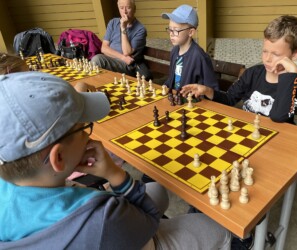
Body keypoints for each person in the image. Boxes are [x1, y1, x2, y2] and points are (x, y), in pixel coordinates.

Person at [0, 72, 232, 249]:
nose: (88, 134)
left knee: (158, 192)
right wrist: (114, 174)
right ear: (58, 157)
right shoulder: (102, 218)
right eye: (84, 129)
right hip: (135, 237)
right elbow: (150, 221)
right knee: (218, 228)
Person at [181, 15, 297, 124]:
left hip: (278, 140)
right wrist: (207, 90)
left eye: (276, 54)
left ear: (295, 54)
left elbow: (278, 116)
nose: (267, 59)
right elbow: (229, 99)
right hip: (249, 132)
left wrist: (292, 75)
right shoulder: (252, 73)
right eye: (265, 51)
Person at [161, 4, 219, 92]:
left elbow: (211, 90)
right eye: (170, 29)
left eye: (176, 30)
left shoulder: (200, 57)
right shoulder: (174, 51)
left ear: (191, 32)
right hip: (176, 98)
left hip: (191, 103)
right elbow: (174, 78)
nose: (171, 34)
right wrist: (166, 85)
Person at [91, 0, 152, 80]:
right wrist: (122, 57)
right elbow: (104, 48)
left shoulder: (140, 29)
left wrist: (123, 28)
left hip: (128, 66)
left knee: (97, 60)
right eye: (121, 8)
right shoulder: (113, 23)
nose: (125, 12)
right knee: (95, 61)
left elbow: (127, 52)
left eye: (128, 8)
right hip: (115, 60)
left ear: (134, 9)